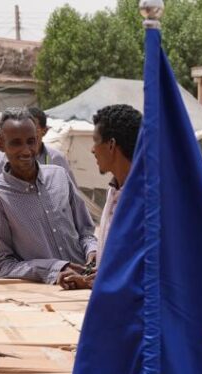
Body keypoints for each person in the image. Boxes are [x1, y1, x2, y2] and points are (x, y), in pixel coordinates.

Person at [0, 108, 97, 286]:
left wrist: (92, 252)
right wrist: (54, 269)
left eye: (31, 141)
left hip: (89, 285)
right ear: (0, 144)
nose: (26, 151)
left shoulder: (60, 176)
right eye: (16, 143)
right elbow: (0, 264)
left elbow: (86, 233)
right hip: (46, 295)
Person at [61, 104, 143, 290]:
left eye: (95, 141)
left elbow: (141, 271)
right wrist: (88, 277)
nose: (92, 150)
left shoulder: (145, 201)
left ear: (111, 145)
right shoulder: (114, 190)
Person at [0, 106, 76, 184]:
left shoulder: (57, 158)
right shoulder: (4, 157)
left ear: (44, 131)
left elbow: (71, 192)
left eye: (33, 128)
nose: (26, 132)